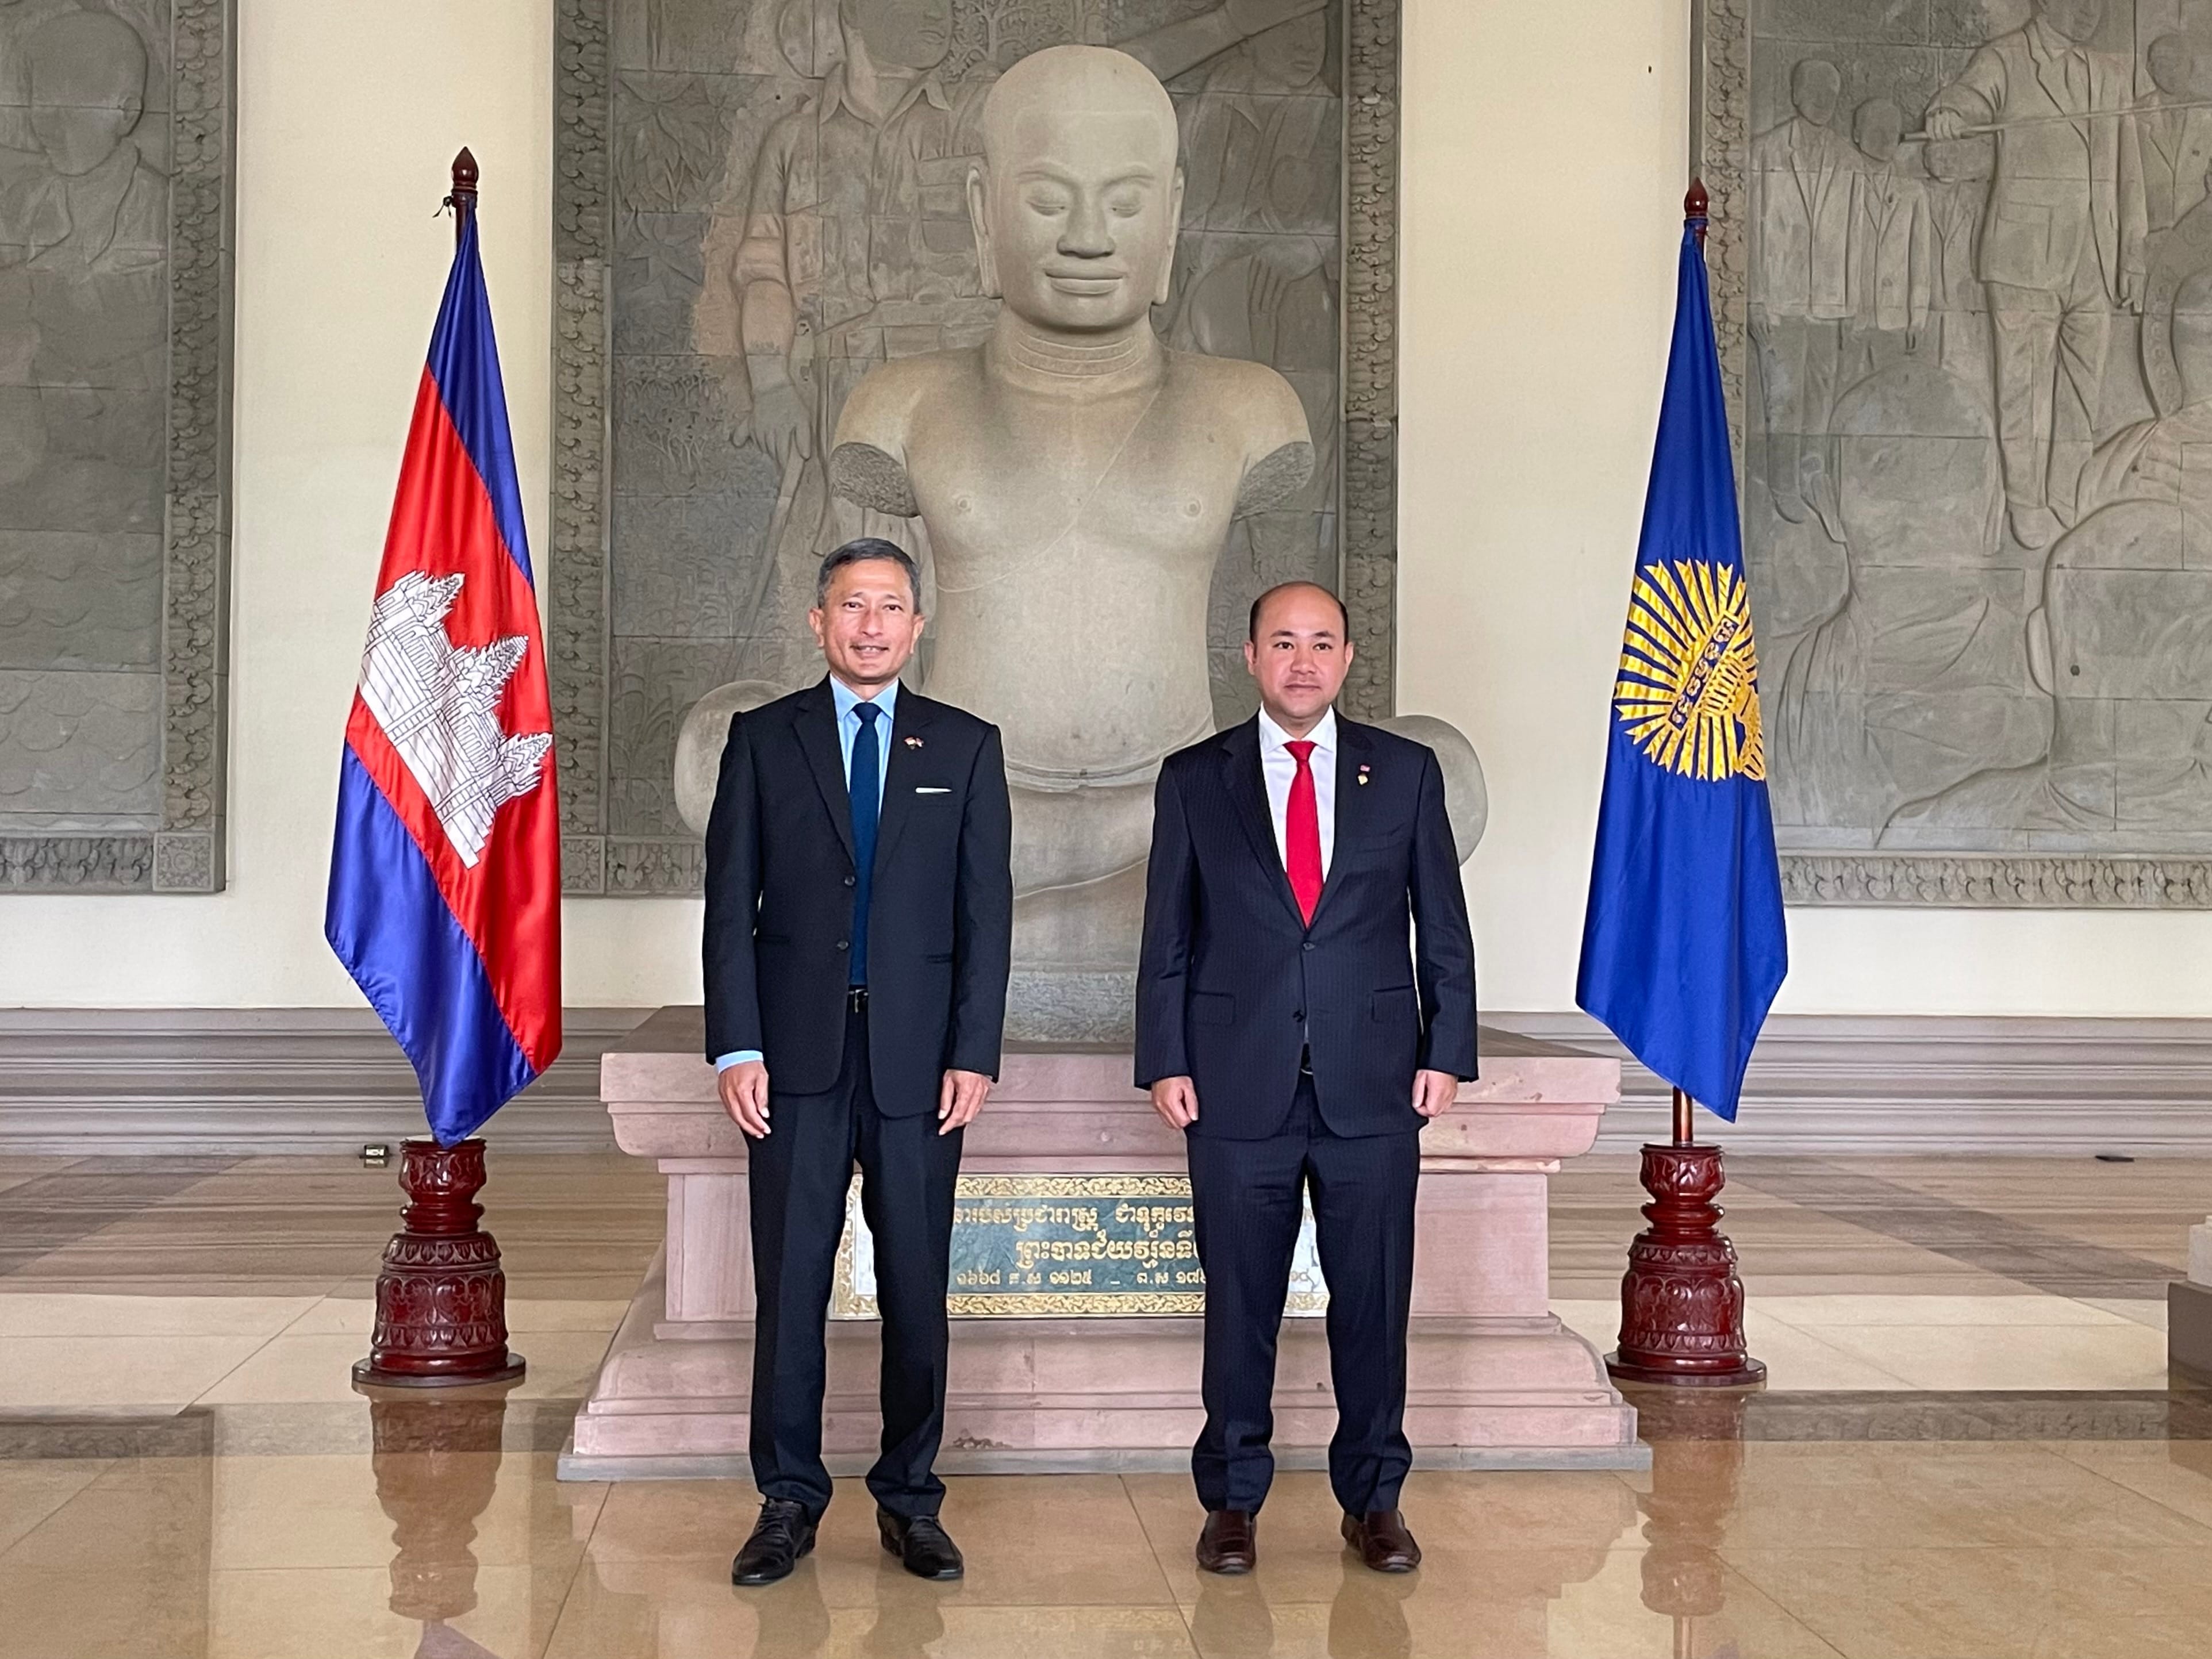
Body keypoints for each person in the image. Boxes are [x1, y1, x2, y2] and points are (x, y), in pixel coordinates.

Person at [1134, 581, 1478, 1576]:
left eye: (1320, 643)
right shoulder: (1195, 777)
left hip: (1373, 1085)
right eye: (1281, 642)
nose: (1300, 661)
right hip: (1235, 1084)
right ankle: (1232, 1499)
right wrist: (1164, 1059)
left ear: (1347, 657)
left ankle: (1373, 1498)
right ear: (1247, 656)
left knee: (1371, 1301)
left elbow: (1440, 927)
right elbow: (1167, 934)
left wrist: (1445, 1049)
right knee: (1237, 1300)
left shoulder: (1403, 773)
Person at [702, 536, 1013, 1586]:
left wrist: (975, 1051)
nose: (869, 624)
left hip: (922, 1069)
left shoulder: (966, 746)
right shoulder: (761, 739)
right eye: (850, 606)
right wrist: (735, 1043)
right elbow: (728, 907)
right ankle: (787, 1499)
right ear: (817, 621)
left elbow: (985, 917)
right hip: (789, 1062)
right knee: (790, 1284)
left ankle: (910, 1499)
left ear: (917, 625)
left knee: (916, 1283)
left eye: (888, 606)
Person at [1924, 0, 2146, 550]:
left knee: (2082, 388)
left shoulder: (2109, 74)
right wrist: (1947, 116)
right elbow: (1965, 99)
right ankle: (2025, 501)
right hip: (2024, 256)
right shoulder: (2004, 58)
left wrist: (2132, 254)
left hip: (2095, 255)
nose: (2093, 11)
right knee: (2021, 386)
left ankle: (2068, 498)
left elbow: (2130, 170)